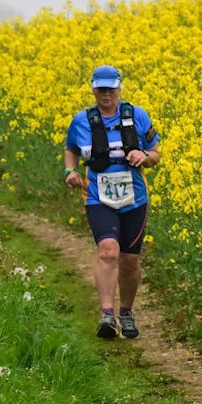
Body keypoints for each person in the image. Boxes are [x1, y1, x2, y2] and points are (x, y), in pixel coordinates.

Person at [64, 64, 162, 339]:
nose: (105, 94)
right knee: (108, 250)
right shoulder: (82, 121)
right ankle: (107, 314)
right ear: (94, 90)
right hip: (98, 196)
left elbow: (156, 154)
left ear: (119, 88)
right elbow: (71, 149)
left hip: (135, 198)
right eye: (100, 89)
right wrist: (70, 171)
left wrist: (145, 157)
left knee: (130, 260)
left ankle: (126, 312)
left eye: (110, 88)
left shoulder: (138, 116)